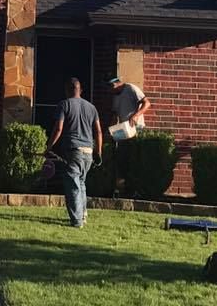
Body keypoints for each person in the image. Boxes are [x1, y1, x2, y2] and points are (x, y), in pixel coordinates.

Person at [47, 77, 103, 228]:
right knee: (81, 183)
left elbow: (58, 129)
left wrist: (49, 147)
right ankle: (83, 215)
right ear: (80, 90)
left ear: (67, 90)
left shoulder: (64, 104)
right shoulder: (91, 108)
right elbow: (98, 132)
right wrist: (98, 152)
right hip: (88, 151)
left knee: (72, 185)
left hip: (73, 150)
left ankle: (77, 221)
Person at [109, 76, 151, 195]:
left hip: (136, 128)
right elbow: (115, 115)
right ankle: (125, 189)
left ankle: (137, 189)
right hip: (124, 130)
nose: (110, 90)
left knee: (135, 158)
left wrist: (136, 115)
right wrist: (111, 129)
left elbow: (147, 103)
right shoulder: (115, 96)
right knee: (123, 158)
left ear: (116, 83)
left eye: (111, 87)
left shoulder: (131, 88)